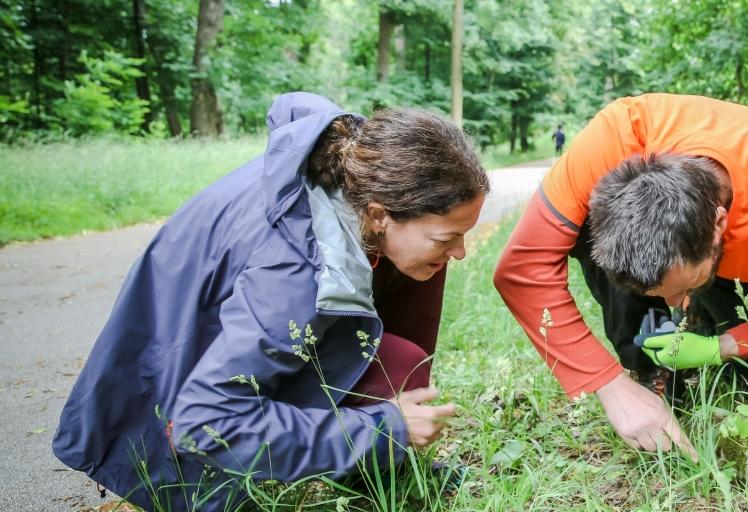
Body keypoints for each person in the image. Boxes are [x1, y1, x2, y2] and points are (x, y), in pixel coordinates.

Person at [52, 92, 489, 510]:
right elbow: (204, 425)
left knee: (419, 287)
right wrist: (381, 430)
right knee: (387, 368)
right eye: (448, 236)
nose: (462, 251)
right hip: (166, 401)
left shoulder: (355, 168)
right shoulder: (296, 274)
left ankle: (380, 471)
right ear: (378, 214)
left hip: (215, 347)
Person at [493, 93, 748, 456]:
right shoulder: (614, 136)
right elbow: (522, 268)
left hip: (745, 267)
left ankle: (706, 317)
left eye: (685, 288)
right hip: (672, 247)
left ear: (719, 225)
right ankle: (648, 368)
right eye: (663, 296)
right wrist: (609, 386)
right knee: (583, 231)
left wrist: (719, 348)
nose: (674, 305)